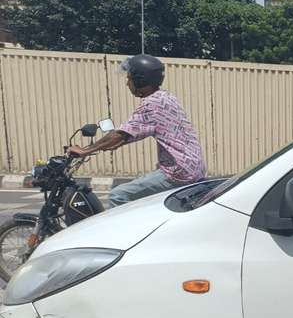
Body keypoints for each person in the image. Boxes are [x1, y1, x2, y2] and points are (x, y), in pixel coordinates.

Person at [68, 54, 207, 205]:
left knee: (118, 195)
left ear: (141, 79)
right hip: (192, 167)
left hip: (179, 171)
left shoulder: (151, 103)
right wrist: (114, 143)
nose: (127, 84)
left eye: (129, 79)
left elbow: (120, 134)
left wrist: (85, 150)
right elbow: (134, 133)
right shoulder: (166, 97)